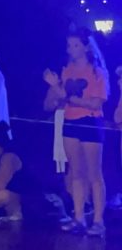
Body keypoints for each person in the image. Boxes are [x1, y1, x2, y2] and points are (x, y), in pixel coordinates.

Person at [43, 29, 109, 236]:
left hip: (90, 122)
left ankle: (98, 220)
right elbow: (58, 99)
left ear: (86, 47)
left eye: (75, 45)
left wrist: (67, 97)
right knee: (76, 171)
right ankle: (78, 217)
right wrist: (56, 90)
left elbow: (95, 103)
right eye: (69, 45)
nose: (70, 49)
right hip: (70, 121)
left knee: (94, 173)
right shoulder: (67, 70)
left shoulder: (97, 72)